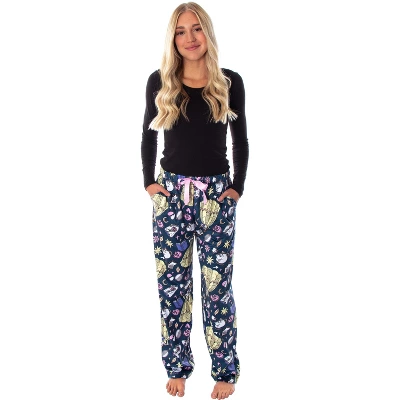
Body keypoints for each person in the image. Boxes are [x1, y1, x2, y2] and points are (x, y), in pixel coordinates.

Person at [140, 2, 249, 399]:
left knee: (217, 288)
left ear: (208, 33)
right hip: (171, 197)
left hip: (216, 198)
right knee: (173, 286)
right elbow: (148, 135)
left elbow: (240, 139)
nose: (190, 38)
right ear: (173, 38)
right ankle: (178, 366)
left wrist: (236, 188)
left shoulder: (229, 82)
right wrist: (150, 184)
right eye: (181, 31)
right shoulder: (160, 81)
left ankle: (225, 370)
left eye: (196, 28)